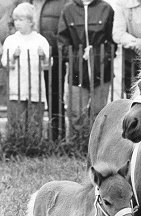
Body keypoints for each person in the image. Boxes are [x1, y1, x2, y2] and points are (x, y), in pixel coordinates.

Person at [57, 0, 116, 141]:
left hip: (102, 72)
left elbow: (112, 42)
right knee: (76, 113)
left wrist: (97, 55)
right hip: (77, 72)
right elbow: (62, 44)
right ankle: (76, 146)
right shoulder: (68, 9)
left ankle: (97, 147)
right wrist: (79, 56)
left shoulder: (106, 8)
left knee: (99, 114)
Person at [1, 2, 49, 141]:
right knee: (17, 119)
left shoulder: (40, 40)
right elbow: (5, 63)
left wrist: (43, 56)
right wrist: (13, 57)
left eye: (21, 20)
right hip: (17, 87)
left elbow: (47, 64)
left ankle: (34, 144)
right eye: (15, 20)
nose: (17, 23)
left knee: (35, 119)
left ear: (30, 21)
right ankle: (17, 143)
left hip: (35, 87)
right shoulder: (11, 40)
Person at [31, 0, 70, 141]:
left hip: (54, 56)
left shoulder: (64, 3)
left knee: (54, 96)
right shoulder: (31, 2)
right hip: (31, 59)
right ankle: (32, 136)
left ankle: (56, 136)